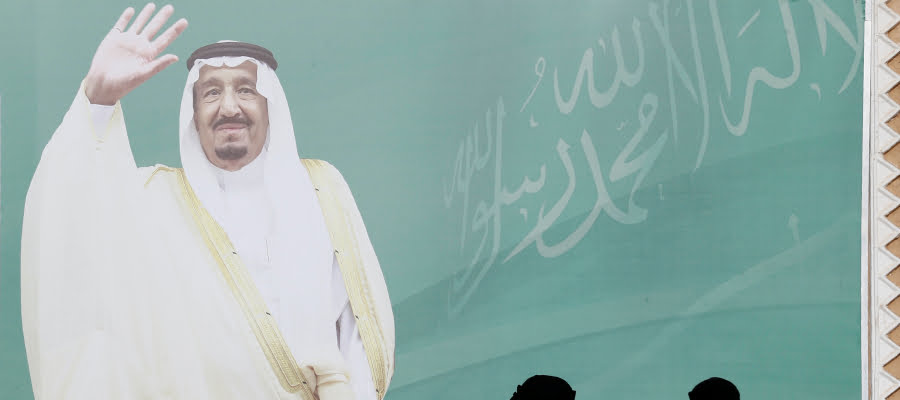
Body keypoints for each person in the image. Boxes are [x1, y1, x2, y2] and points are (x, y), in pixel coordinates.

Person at [20, 4, 394, 400]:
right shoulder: (156, 201)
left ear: (270, 105)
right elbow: (78, 227)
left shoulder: (320, 187)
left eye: (246, 90)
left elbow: (358, 326)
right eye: (212, 92)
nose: (229, 107)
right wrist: (98, 101)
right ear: (193, 114)